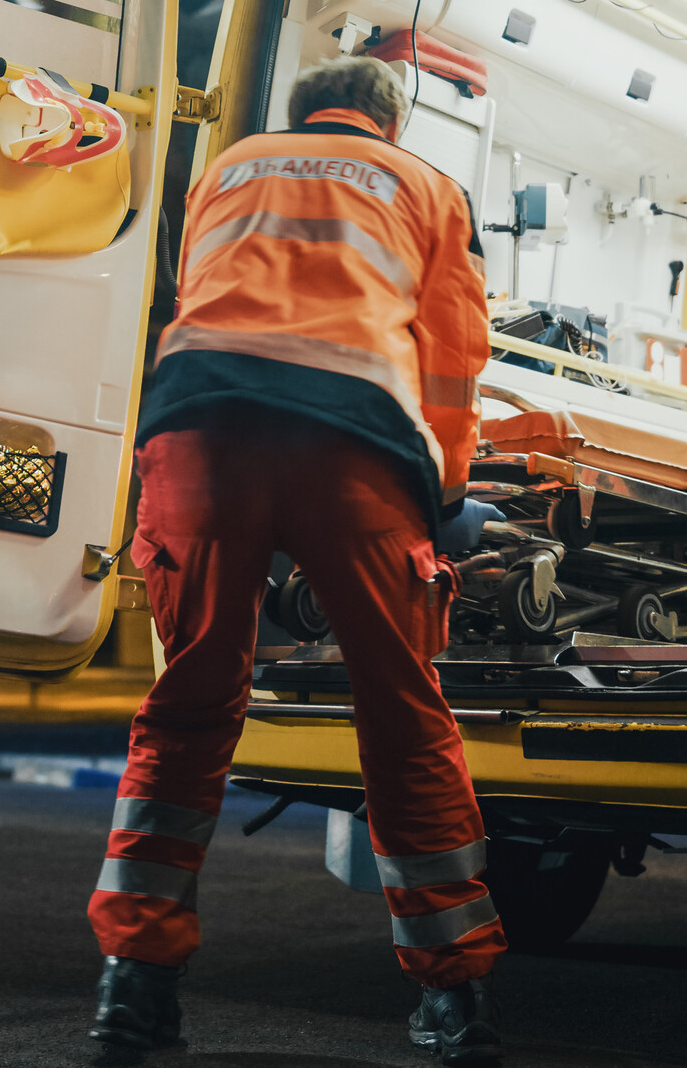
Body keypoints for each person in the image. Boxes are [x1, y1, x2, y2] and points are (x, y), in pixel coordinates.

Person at [87, 56, 506, 1062]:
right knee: (402, 718)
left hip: (198, 436)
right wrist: (443, 489)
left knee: (186, 712)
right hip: (350, 448)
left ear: (300, 113)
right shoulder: (426, 186)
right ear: (391, 119)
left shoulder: (226, 167)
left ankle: (133, 990)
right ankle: (450, 997)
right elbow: (453, 354)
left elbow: (199, 296)